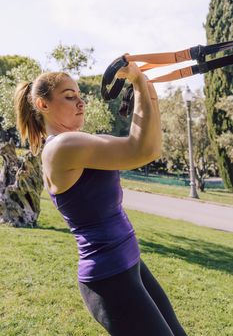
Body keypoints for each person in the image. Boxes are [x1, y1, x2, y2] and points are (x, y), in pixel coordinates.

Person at [14, 61, 187, 336]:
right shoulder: (62, 147)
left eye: (80, 95)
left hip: (129, 265)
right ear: (42, 105)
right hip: (110, 279)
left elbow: (146, 141)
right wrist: (139, 83)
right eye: (70, 96)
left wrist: (146, 86)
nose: (81, 102)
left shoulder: (79, 141)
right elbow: (144, 150)